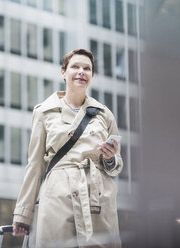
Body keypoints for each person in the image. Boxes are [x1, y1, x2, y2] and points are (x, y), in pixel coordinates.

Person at [12, 48, 123, 248]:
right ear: (63, 72)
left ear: (92, 75)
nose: (82, 71)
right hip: (57, 197)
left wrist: (110, 158)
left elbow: (117, 166)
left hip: (97, 198)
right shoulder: (44, 112)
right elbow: (35, 164)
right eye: (75, 67)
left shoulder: (104, 114)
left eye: (87, 68)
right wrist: (23, 213)